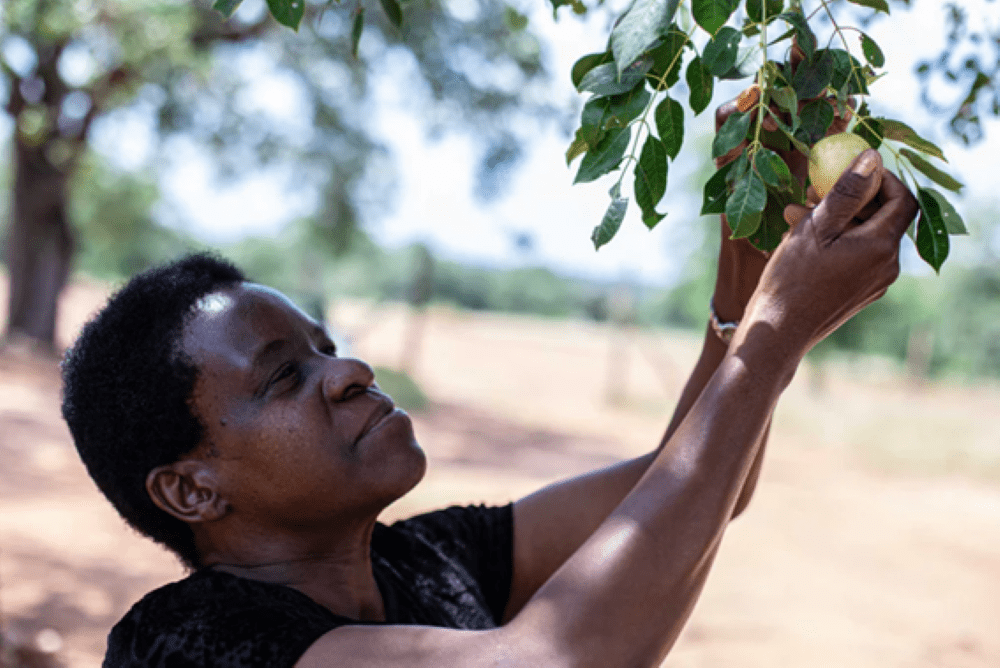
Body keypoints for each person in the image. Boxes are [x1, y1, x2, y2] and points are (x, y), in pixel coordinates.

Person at [61, 94, 918, 666]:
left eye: (327, 346)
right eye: (286, 377)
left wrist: (744, 288)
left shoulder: (434, 562)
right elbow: (557, 658)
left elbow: (694, 487)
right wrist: (776, 337)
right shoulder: (193, 644)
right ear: (190, 490)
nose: (351, 370)